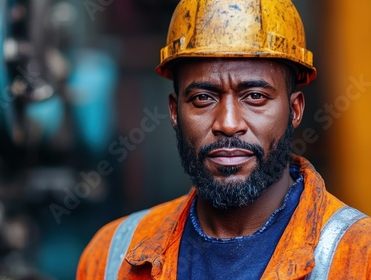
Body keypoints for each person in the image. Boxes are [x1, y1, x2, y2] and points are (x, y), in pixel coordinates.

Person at [77, 0, 371, 279]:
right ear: (174, 111)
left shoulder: (360, 255)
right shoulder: (111, 255)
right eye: (203, 98)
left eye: (255, 97)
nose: (228, 124)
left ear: (294, 110)